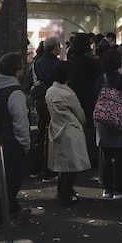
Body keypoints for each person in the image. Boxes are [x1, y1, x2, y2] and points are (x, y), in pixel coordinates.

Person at [0, 52, 32, 233]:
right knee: (11, 181)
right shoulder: (15, 92)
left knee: (5, 179)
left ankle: (13, 210)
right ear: (17, 70)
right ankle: (1, 220)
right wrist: (25, 144)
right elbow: (20, 122)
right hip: (12, 142)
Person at [45, 61, 91, 206]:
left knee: (63, 166)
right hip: (70, 129)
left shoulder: (50, 91)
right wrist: (83, 124)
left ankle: (63, 191)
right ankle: (67, 193)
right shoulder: (68, 94)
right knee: (72, 165)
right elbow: (79, 113)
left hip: (56, 128)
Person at [93, 49, 122, 200]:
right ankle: (120, 188)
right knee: (121, 155)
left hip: (103, 122)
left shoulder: (99, 80)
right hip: (120, 121)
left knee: (106, 156)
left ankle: (107, 187)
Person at [31, 36, 62, 182]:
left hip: (40, 99)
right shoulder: (56, 64)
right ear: (55, 48)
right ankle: (49, 170)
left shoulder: (38, 61)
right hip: (52, 99)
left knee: (41, 131)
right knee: (51, 135)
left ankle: (36, 168)